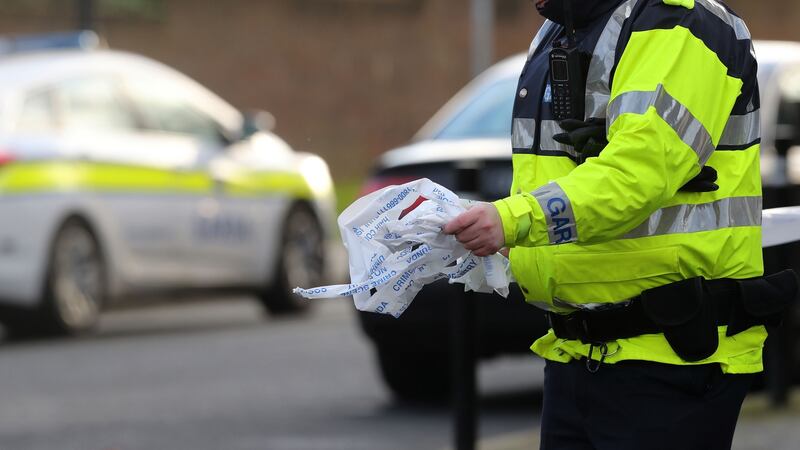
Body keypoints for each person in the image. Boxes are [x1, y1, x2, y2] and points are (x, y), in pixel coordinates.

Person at [443, 0, 796, 448]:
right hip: (576, 350)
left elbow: (639, 172)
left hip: (670, 357)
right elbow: (560, 179)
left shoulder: (680, 20)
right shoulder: (564, 26)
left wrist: (512, 220)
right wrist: (495, 240)